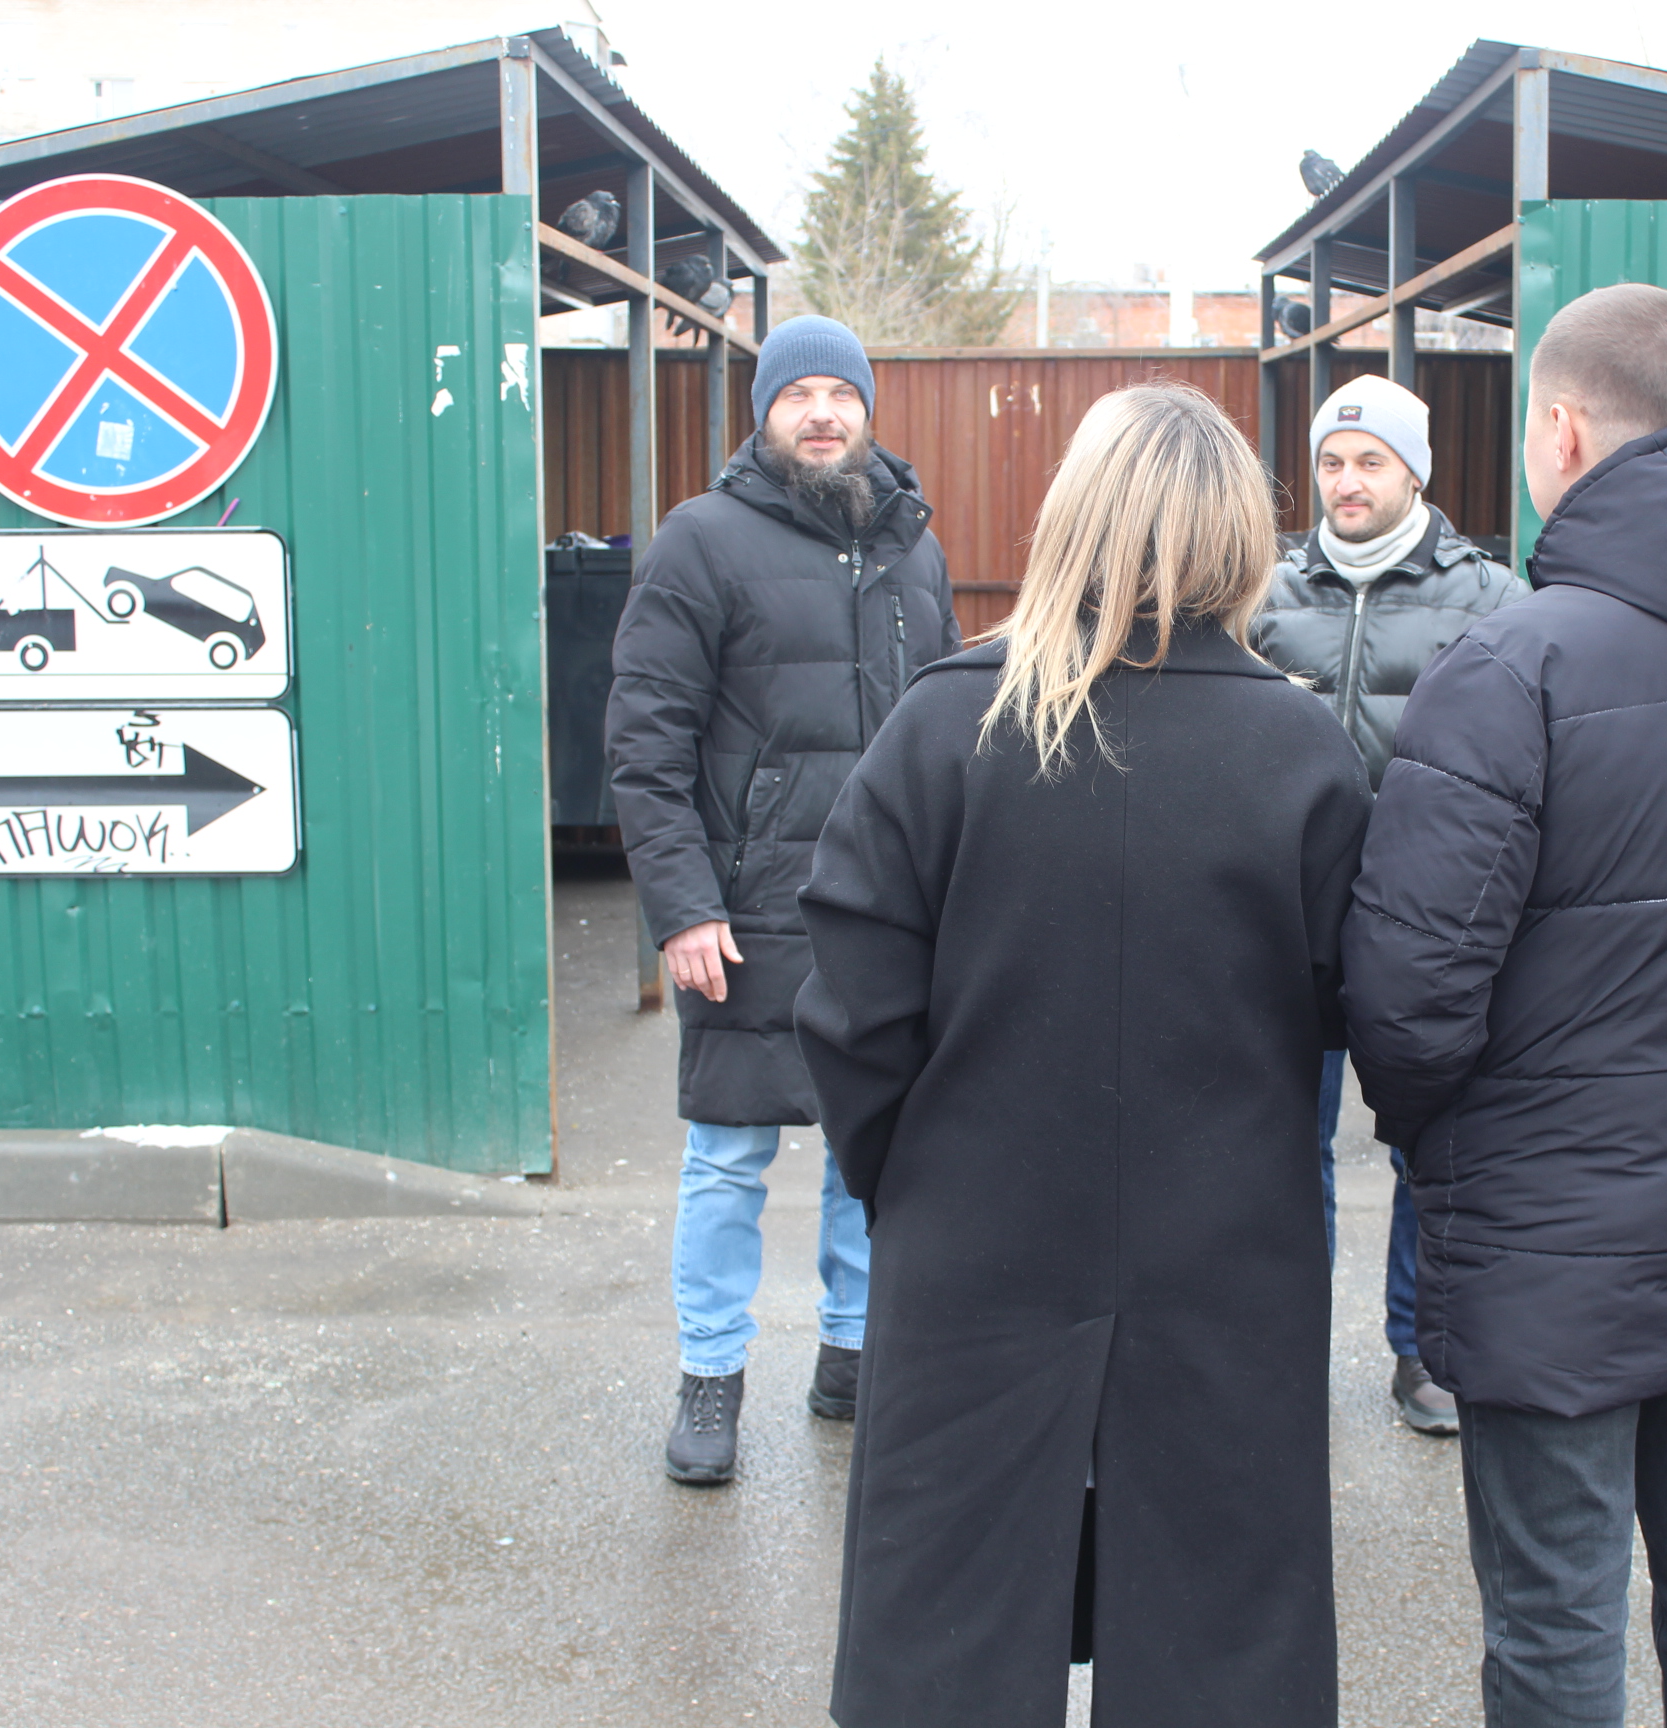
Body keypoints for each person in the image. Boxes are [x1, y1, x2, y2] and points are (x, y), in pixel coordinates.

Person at [1340, 283, 1667, 1726]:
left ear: (1564, 432)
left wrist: (1446, 1139)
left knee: (1556, 1625)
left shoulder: (1511, 666)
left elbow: (1404, 996)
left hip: (1548, 1249)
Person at [796, 382, 1370, 1728]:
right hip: (1229, 1257)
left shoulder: (946, 727)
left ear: (1070, 520)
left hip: (975, 1242)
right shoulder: (1299, 748)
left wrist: (915, 1181)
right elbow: (1356, 1004)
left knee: (950, 1630)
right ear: (1240, 534)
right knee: (1224, 1634)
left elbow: (851, 1012)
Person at [605, 314, 960, 1488]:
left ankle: (854, 1355)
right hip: (749, 910)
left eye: (841, 394)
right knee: (727, 1160)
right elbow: (646, 743)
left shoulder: (912, 543)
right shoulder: (699, 542)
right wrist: (681, 906)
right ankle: (711, 1377)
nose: (822, 413)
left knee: (879, 1155)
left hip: (886, 912)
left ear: (868, 409)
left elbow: (953, 732)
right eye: (797, 393)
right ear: (762, 413)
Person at [1252, 372, 1525, 1438]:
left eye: (1370, 461)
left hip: (1425, 918)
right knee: (1285, 1143)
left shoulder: (1491, 598)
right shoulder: (1266, 593)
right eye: (1331, 461)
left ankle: (1422, 1348)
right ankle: (1287, 1339)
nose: (1347, 481)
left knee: (1427, 1140)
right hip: (1290, 915)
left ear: (1416, 469)